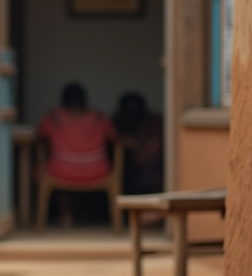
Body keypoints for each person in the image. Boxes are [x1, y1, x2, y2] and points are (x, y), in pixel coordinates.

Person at [38, 82, 117, 226]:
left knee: (41, 170)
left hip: (61, 170)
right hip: (97, 170)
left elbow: (39, 137)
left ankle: (66, 215)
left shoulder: (53, 116)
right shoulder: (99, 117)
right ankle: (84, 215)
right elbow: (115, 138)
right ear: (84, 99)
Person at [112, 91, 164, 195]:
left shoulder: (153, 121)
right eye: (129, 111)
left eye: (136, 110)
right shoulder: (118, 120)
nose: (132, 114)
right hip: (125, 170)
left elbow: (154, 146)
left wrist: (138, 145)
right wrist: (122, 141)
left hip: (151, 177)